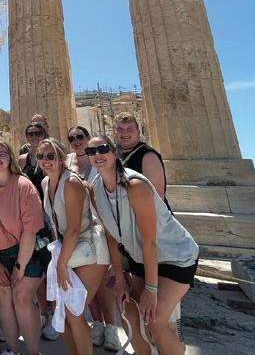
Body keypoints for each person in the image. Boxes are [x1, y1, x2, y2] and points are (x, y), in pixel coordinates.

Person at [90, 135, 199, 355]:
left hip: (175, 256)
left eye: (102, 149)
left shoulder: (135, 185)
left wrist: (151, 289)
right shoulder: (95, 190)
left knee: (154, 320)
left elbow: (150, 241)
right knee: (127, 311)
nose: (97, 155)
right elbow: (111, 237)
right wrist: (119, 279)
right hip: (139, 258)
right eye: (91, 152)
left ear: (114, 152)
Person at [38, 138, 110, 355]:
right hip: (68, 250)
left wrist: (60, 265)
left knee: (74, 312)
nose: (45, 160)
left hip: (89, 249)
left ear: (61, 158)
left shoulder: (71, 183)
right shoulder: (45, 183)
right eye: (41, 156)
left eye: (51, 156)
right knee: (62, 312)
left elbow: (74, 228)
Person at [0, 139, 45, 355]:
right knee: (3, 297)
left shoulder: (24, 185)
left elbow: (30, 231)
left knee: (21, 297)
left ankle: (33, 352)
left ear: (11, 158)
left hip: (27, 251)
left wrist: (19, 267)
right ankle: (11, 349)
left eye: (2, 153)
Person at [112, 112, 169, 207]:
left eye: (130, 129)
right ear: (114, 132)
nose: (125, 133)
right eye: (120, 129)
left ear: (138, 132)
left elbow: (157, 198)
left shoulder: (148, 156)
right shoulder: (113, 155)